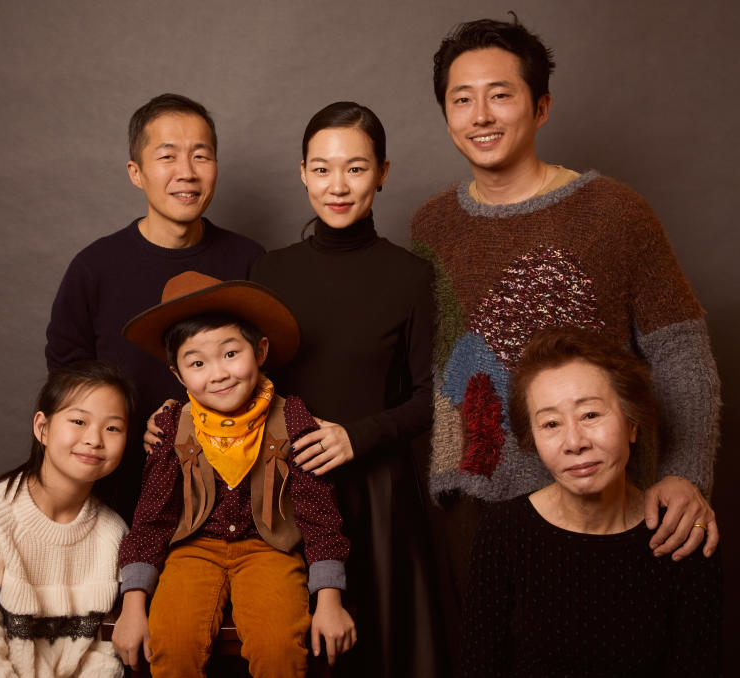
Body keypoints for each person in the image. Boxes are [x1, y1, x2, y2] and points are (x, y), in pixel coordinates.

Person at [411, 17, 720, 590]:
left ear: (542, 106)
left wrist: (686, 474)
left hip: (607, 499)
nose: (481, 116)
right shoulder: (432, 226)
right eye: (462, 100)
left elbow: (679, 349)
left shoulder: (612, 211)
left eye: (500, 95)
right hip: (475, 504)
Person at [249, 102, 447, 677]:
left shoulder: (411, 277)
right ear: (303, 172)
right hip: (282, 489)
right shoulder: (268, 272)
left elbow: (433, 396)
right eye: (323, 168)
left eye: (356, 169)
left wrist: (357, 437)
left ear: (383, 173)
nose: (338, 186)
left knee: (381, 656)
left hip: (378, 495)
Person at [112, 271, 355, 677]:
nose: (219, 373)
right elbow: (152, 519)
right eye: (197, 363)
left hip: (270, 550)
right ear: (177, 374)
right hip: (192, 549)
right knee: (172, 644)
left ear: (259, 351)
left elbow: (319, 515)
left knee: (280, 649)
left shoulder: (292, 416)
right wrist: (132, 606)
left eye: (230, 354)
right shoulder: (172, 424)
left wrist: (330, 600)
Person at [45, 93, 264, 522]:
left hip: (232, 495)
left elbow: (274, 371)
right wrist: (127, 426)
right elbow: (68, 379)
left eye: (201, 156)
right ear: (136, 172)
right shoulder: (95, 267)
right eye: (167, 156)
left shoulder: (250, 261)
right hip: (120, 493)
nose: (187, 173)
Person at [460, 326, 722, 676]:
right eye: (551, 423)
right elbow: (479, 668)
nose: (574, 442)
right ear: (534, 439)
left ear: (632, 424)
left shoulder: (681, 532)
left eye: (591, 415)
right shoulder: (503, 530)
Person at [0, 361, 134, 677]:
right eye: (79, 421)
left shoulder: (114, 535)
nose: (95, 439)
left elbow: (104, 657)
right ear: (42, 427)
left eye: (113, 428)